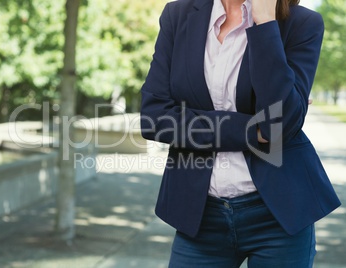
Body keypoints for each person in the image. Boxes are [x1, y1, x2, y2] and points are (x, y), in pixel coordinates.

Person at [140, 0, 341, 267]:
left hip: (279, 213)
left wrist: (265, 23)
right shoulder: (177, 15)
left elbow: (279, 124)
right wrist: (250, 129)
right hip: (199, 217)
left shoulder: (302, 23)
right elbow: (155, 118)